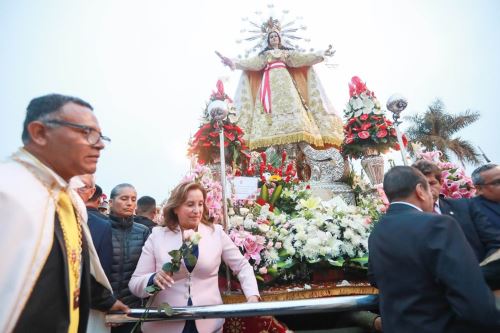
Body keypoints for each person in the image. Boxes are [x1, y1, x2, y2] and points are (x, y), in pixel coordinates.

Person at [0, 94, 128, 333]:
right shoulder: (8, 191)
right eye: (86, 132)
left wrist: (106, 300)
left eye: (101, 137)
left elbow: (74, 267)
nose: (99, 144)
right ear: (39, 132)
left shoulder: (70, 200)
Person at [368, 166, 500, 333]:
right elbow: (471, 298)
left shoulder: (377, 231)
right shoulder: (439, 224)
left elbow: (373, 277)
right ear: (420, 191)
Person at [129, 181, 260, 333]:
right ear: (176, 207)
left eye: (200, 204)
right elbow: (135, 284)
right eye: (190, 204)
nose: (197, 210)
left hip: (208, 323)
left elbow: (242, 266)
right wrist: (153, 279)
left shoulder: (216, 233)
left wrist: (252, 296)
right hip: (165, 324)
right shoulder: (157, 236)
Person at [219, 29, 343, 150]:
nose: (274, 38)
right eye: (271, 37)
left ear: (279, 39)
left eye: (276, 36)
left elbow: (302, 58)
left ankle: (295, 138)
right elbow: (251, 63)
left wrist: (321, 54)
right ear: (268, 40)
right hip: (269, 86)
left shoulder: (286, 53)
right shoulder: (264, 55)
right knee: (269, 107)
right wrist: (233, 62)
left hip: (286, 85)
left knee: (292, 105)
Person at [412, 159, 500, 262]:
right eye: (423, 185)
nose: (428, 189)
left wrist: (479, 273)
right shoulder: (410, 219)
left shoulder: (465, 207)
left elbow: (494, 242)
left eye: (432, 183)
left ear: (441, 183)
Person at [108, 183, 151, 333]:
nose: (129, 203)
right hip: (104, 308)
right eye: (124, 198)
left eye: (133, 199)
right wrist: (108, 303)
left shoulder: (143, 232)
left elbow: (147, 270)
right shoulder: (100, 228)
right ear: (111, 202)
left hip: (133, 309)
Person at [77, 174, 113, 278]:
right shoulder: (51, 215)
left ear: (91, 192)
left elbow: (102, 272)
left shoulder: (103, 226)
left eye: (83, 188)